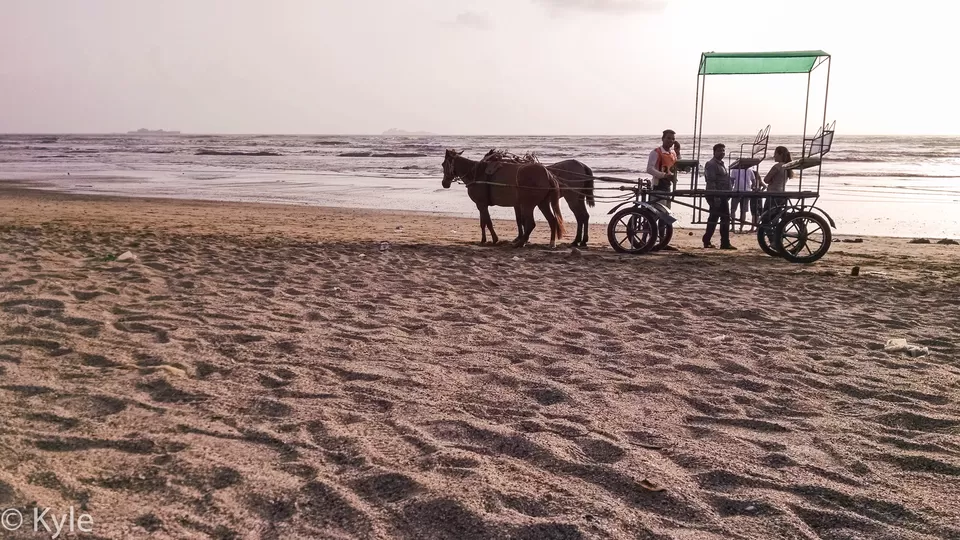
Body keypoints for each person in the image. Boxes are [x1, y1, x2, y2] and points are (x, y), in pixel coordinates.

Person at [702, 143, 734, 249]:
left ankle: (707, 240)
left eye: (723, 150)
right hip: (716, 194)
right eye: (719, 150)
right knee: (724, 218)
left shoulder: (721, 164)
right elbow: (711, 181)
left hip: (722, 194)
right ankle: (724, 243)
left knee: (715, 218)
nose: (722, 152)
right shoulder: (711, 164)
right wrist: (715, 196)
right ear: (714, 152)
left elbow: (725, 178)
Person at [646, 130, 681, 209]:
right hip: (658, 186)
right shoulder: (656, 152)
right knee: (659, 211)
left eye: (673, 139)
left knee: (667, 213)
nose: (671, 141)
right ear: (663, 138)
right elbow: (649, 169)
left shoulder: (672, 153)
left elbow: (678, 166)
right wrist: (664, 175)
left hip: (668, 186)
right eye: (668, 138)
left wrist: (678, 153)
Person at [762, 146, 794, 212]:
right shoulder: (788, 166)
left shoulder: (777, 166)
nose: (774, 156)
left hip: (773, 194)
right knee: (775, 216)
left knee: (766, 216)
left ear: (781, 155)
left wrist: (771, 181)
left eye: (775, 154)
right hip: (782, 194)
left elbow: (766, 180)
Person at [729, 167, 757, 233]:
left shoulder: (735, 169)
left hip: (736, 191)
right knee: (743, 211)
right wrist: (752, 187)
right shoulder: (749, 170)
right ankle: (741, 228)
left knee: (733, 209)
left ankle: (733, 227)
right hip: (746, 191)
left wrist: (731, 188)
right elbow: (754, 181)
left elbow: (731, 181)